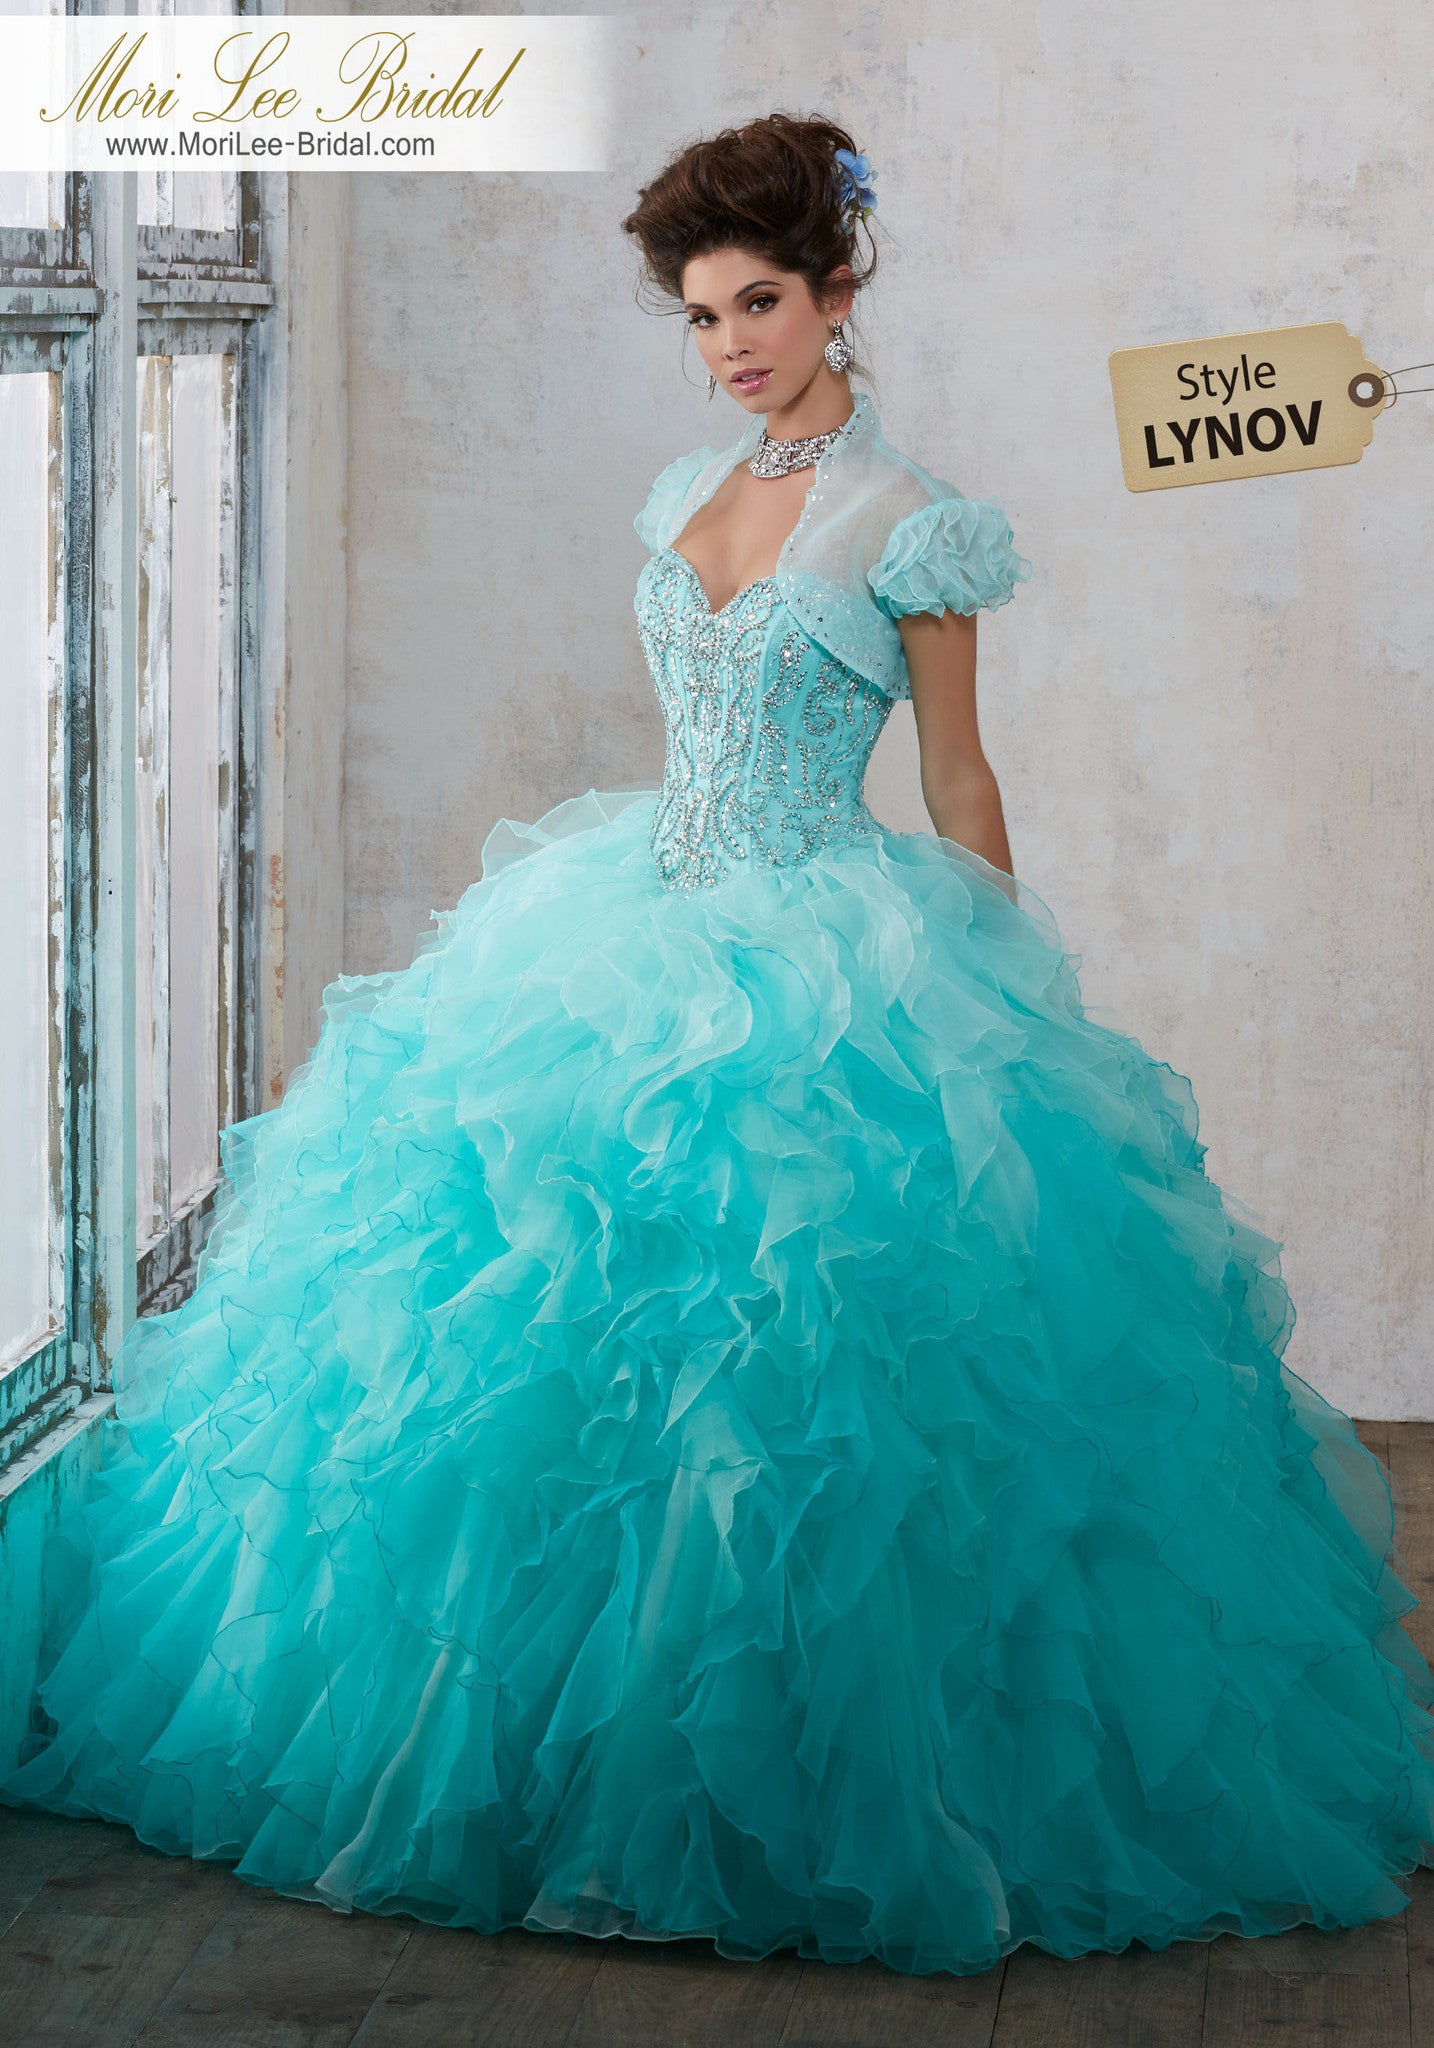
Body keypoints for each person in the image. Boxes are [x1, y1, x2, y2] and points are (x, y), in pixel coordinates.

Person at [4, 110, 1432, 1981]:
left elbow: (956, 775)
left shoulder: (914, 523)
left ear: (836, 292)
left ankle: (803, 1776)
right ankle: (521, 1753)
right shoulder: (685, 481)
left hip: (829, 941)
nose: (729, 342)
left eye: (758, 301)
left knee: (802, 1377)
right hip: (628, 930)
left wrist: (1006, 990)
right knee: (533, 1340)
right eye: (698, 314)